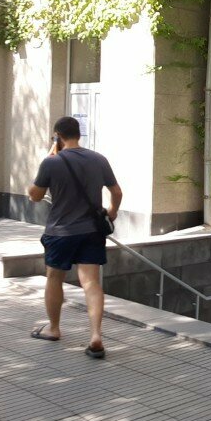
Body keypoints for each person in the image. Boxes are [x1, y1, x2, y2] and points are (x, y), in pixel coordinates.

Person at [27, 116, 122, 358]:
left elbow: (35, 196)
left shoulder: (51, 162)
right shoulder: (98, 159)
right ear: (79, 134)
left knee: (54, 278)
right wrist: (112, 212)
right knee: (91, 282)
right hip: (91, 231)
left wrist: (49, 156)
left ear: (57, 136)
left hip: (60, 232)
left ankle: (54, 329)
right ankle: (96, 335)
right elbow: (117, 192)